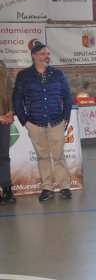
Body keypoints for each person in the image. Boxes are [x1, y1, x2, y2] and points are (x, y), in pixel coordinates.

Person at [12, 44, 73, 201]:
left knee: (58, 155)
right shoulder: (24, 76)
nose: (46, 56)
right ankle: (47, 188)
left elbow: (68, 96)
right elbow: (17, 99)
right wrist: (24, 121)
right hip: (34, 122)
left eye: (47, 53)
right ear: (34, 56)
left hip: (57, 121)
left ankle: (64, 187)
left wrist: (65, 116)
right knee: (43, 156)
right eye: (42, 53)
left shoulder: (58, 74)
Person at [0, 60, 16, 203]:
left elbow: (10, 90)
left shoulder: (2, 65)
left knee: (4, 156)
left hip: (4, 119)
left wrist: (11, 111)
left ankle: (6, 188)